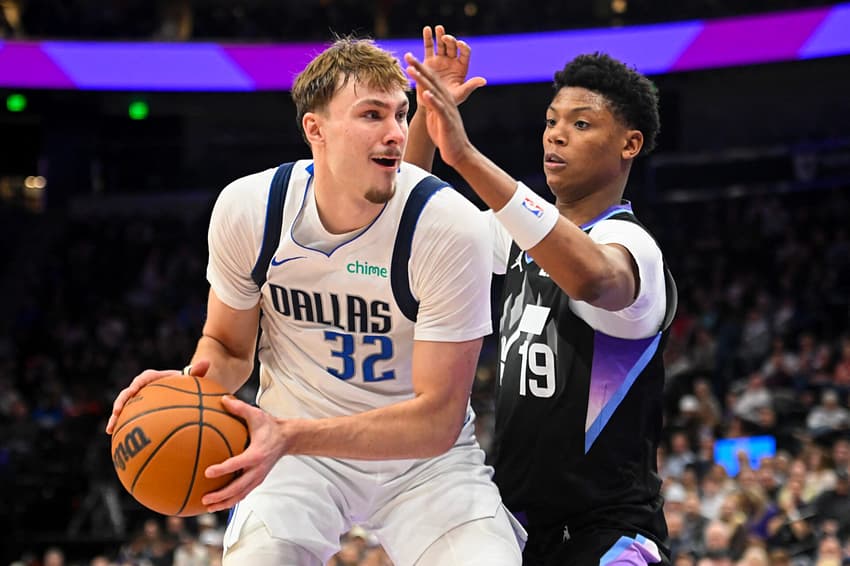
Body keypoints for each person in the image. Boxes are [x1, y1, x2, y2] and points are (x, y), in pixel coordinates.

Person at [106, 36, 524, 566]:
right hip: (302, 462)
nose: (396, 133)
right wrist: (186, 387)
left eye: (400, 114)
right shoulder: (249, 210)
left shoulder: (450, 226)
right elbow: (230, 350)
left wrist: (288, 435)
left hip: (425, 464)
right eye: (372, 114)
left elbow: (437, 421)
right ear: (315, 129)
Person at [404, 26, 678, 565]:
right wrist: (425, 117)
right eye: (551, 122)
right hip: (517, 528)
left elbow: (592, 279)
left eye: (581, 124)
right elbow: (408, 223)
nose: (556, 135)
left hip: (609, 534)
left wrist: (464, 156)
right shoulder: (509, 234)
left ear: (630, 144)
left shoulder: (631, 245)